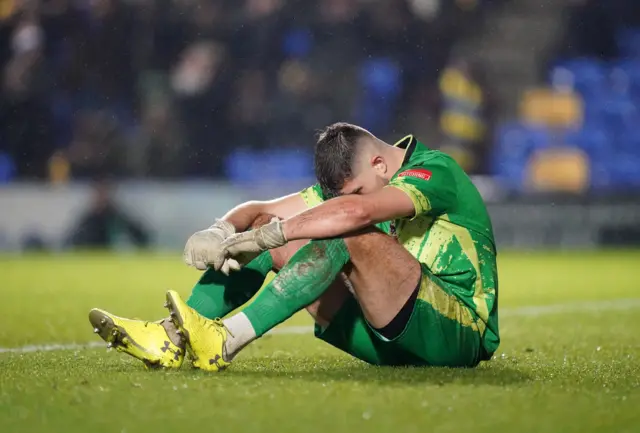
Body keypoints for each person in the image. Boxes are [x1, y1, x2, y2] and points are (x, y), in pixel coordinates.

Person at [90, 122, 498, 370]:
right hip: (387, 339)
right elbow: (259, 211)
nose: (348, 200)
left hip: (453, 334)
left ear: (378, 164)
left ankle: (225, 339)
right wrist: (221, 231)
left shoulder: (435, 169)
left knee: (341, 229)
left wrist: (274, 235)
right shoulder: (358, 188)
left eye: (353, 192)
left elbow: (355, 214)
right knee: (276, 226)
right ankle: (171, 339)